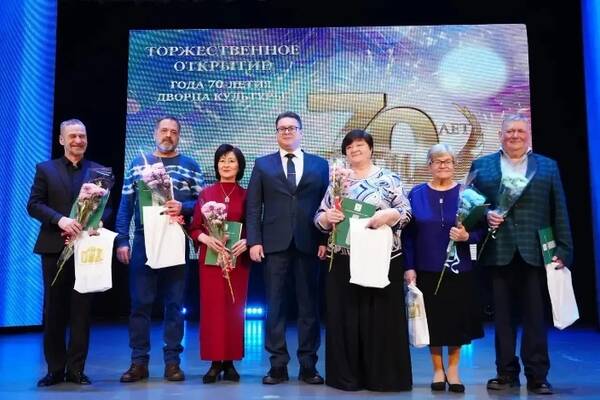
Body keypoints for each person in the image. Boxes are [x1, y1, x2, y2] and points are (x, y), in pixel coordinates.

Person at [471, 114, 573, 395]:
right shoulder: (482, 166)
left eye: (520, 131)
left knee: (535, 318)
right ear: (500, 135)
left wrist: (565, 249)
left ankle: (538, 376)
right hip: (498, 250)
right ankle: (505, 373)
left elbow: (559, 209)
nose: (514, 135)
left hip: (536, 251)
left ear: (528, 135)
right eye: (509, 131)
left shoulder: (547, 166)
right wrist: (486, 216)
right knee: (502, 319)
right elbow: (471, 207)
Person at [315, 129, 413, 392]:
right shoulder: (338, 181)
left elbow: (406, 212)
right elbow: (319, 218)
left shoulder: (389, 178)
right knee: (346, 318)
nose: (354, 149)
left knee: (380, 317)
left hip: (382, 257)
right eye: (349, 147)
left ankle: (383, 377)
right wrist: (327, 218)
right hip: (343, 260)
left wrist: (389, 215)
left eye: (360, 145)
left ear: (371, 149)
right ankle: (346, 377)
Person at [115, 116, 204, 383]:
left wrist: (184, 207)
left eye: (173, 132)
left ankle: (172, 363)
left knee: (175, 304)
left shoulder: (190, 166)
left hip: (176, 237)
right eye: (164, 130)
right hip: (144, 240)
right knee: (140, 303)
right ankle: (138, 362)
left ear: (179, 136)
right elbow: (125, 205)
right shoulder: (137, 163)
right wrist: (122, 240)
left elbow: (202, 204)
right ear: (155, 133)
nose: (168, 135)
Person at [246, 111, 329, 385]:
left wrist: (324, 240)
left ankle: (308, 365)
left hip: (309, 242)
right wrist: (255, 241)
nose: (287, 132)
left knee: (309, 307)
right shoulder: (262, 164)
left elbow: (327, 205)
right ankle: (277, 365)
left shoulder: (320, 165)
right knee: (275, 306)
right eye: (282, 128)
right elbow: (253, 206)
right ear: (276, 133)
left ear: (301, 132)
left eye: (292, 128)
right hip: (273, 244)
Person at [27, 118, 111, 386]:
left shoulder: (99, 172)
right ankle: (54, 369)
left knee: (81, 311)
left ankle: (76, 370)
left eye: (82, 136)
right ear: (62, 140)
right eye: (72, 136)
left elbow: (107, 206)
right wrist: (60, 220)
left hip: (86, 249)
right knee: (53, 310)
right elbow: (34, 204)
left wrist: (99, 220)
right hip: (54, 247)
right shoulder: (45, 169)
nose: (78, 140)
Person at [402, 143, 484, 393]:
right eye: (437, 161)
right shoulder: (416, 193)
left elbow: (482, 231)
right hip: (426, 268)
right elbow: (408, 236)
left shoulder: (468, 195)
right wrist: (409, 267)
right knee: (433, 322)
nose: (443, 165)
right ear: (429, 165)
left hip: (459, 269)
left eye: (447, 161)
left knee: (457, 321)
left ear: (454, 165)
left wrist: (467, 236)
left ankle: (454, 370)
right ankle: (438, 370)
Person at [188, 144, 249, 383]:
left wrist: (247, 241)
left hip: (237, 259)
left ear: (239, 166)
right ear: (216, 165)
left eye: (231, 160)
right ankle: (214, 363)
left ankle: (230, 362)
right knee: (212, 310)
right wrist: (206, 239)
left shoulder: (247, 195)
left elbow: (253, 226)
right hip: (210, 259)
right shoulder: (206, 193)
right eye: (222, 160)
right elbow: (194, 228)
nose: (226, 165)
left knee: (234, 309)